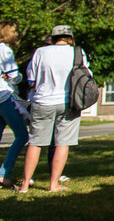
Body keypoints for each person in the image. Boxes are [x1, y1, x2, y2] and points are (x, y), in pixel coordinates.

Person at [18, 25, 87, 193]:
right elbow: (85, 75)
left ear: (53, 37)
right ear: (70, 37)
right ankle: (53, 183)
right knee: (62, 143)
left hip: (42, 101)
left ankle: (25, 184)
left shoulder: (41, 52)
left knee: (35, 142)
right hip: (68, 102)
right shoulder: (77, 52)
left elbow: (31, 79)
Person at [0, 20, 29, 188]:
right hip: (4, 96)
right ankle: (4, 172)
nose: (17, 34)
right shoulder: (5, 51)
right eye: (15, 31)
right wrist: (19, 77)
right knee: (22, 134)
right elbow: (14, 75)